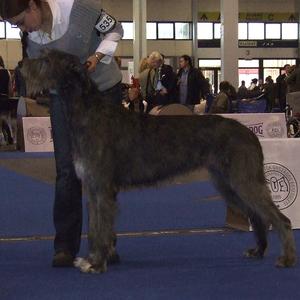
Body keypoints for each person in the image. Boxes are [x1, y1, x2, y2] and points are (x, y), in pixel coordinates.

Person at [0, 0, 123, 267]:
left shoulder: (78, 9)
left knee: (101, 170)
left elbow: (115, 29)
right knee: (67, 169)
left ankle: (105, 242)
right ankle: (65, 245)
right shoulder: (30, 35)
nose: (22, 28)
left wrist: (97, 56)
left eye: (21, 21)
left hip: (103, 90)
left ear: (34, 6)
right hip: (63, 98)